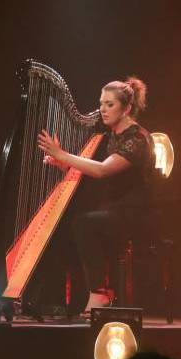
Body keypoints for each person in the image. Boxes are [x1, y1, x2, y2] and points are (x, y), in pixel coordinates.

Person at [37, 77, 154, 313]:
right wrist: (62, 163)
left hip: (135, 214)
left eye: (110, 104)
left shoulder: (137, 139)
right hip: (114, 210)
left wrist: (63, 153)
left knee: (83, 224)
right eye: (101, 103)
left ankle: (99, 293)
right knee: (68, 225)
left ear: (127, 108)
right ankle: (59, 299)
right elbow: (93, 173)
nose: (102, 109)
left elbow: (102, 170)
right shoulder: (112, 136)